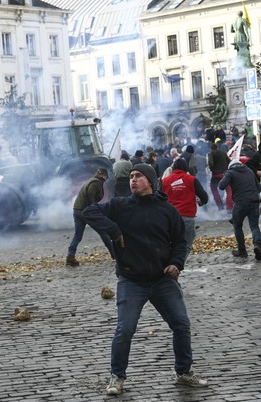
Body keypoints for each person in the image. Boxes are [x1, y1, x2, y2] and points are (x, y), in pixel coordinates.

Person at [82, 164, 208, 395]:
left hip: (162, 280)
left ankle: (183, 372)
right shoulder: (120, 205)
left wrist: (176, 263)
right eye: (131, 176)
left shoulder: (167, 210)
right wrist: (113, 230)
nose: (133, 180)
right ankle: (117, 377)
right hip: (131, 280)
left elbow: (180, 241)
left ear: (150, 181)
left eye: (138, 176)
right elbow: (89, 212)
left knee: (181, 324)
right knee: (125, 329)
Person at [161, 158, 209, 258]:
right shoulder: (191, 179)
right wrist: (201, 202)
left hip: (169, 218)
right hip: (187, 217)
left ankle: (169, 263)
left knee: (170, 243)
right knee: (186, 244)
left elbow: (158, 199)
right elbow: (204, 197)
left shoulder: (164, 181)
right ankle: (177, 265)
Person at [66, 168, 114, 265]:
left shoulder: (91, 181)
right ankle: (115, 253)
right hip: (87, 212)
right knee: (103, 232)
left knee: (77, 236)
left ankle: (70, 256)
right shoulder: (96, 182)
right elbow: (90, 193)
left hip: (77, 210)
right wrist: (93, 208)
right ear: (103, 175)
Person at [218, 159, 261, 260]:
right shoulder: (250, 171)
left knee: (237, 226)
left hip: (240, 203)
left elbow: (221, 186)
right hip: (255, 201)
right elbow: (258, 185)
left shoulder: (230, 172)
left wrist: (226, 175)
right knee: (254, 226)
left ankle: (242, 251)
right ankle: (257, 245)